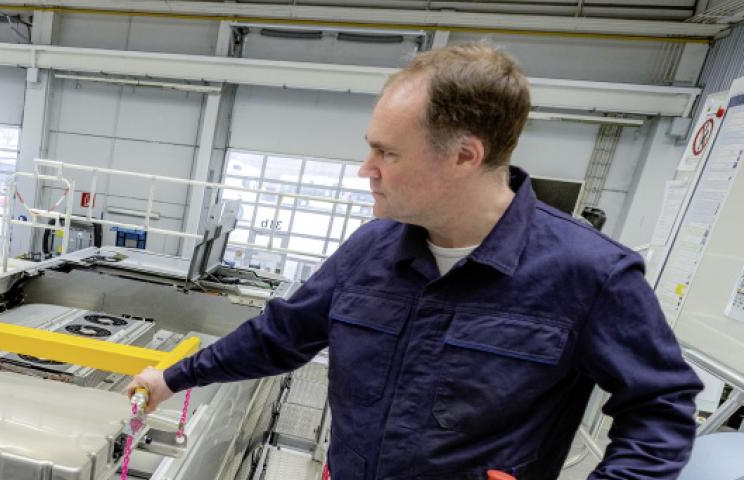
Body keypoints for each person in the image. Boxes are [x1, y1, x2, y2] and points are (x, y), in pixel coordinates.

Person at [127, 43, 702, 479]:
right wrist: (171, 378)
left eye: (387, 152)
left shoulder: (590, 274)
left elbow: (660, 405)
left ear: (464, 156)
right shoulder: (371, 251)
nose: (365, 168)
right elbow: (282, 335)